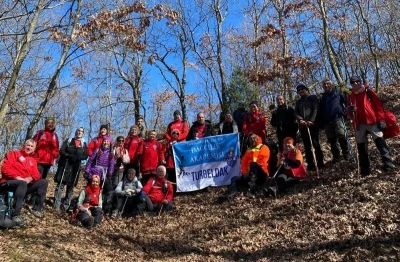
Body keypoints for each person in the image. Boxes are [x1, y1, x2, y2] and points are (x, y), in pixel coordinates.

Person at [347, 76, 395, 177]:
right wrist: (350, 111)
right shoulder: (350, 96)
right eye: (353, 82)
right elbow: (348, 113)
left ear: (360, 82)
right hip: (359, 124)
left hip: (372, 122)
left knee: (381, 144)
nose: (355, 84)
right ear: (351, 84)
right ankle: (365, 171)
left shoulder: (368, 92)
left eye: (357, 82)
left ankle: (388, 165)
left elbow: (378, 105)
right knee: (362, 149)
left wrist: (381, 119)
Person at [0, 139, 49, 226]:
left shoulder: (32, 161)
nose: (29, 147)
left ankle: (36, 209)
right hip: (8, 182)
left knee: (44, 182)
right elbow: (5, 168)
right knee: (22, 183)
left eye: (31, 146)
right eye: (28, 145)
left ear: (34, 149)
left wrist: (30, 178)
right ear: (24, 145)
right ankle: (15, 214)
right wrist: (17, 177)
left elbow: (37, 174)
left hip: (24, 185)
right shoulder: (14, 154)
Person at [220, 133, 270, 199]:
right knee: (234, 178)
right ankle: (229, 194)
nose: (252, 140)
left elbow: (262, 162)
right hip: (250, 175)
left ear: (257, 138)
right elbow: (243, 163)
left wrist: (250, 170)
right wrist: (245, 173)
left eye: (254, 138)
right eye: (251, 139)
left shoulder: (263, 147)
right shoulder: (248, 150)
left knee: (253, 164)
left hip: (261, 174)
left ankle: (251, 189)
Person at [54, 127, 88, 212]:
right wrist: (68, 155)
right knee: (60, 185)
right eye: (78, 131)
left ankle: (66, 206)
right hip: (65, 165)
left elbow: (86, 155)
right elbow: (61, 151)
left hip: (75, 168)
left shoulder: (83, 144)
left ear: (83, 133)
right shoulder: (69, 140)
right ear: (75, 131)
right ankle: (56, 206)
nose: (79, 132)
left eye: (81, 131)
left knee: (70, 187)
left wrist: (78, 157)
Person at [319, 79, 351, 162]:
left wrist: (344, 112)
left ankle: (347, 154)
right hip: (327, 121)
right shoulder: (322, 97)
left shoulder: (338, 93)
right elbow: (321, 109)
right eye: (324, 84)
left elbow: (347, 101)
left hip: (338, 118)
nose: (326, 85)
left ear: (331, 84)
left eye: (327, 84)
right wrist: (322, 121)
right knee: (332, 140)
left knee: (342, 135)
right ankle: (336, 156)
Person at [295, 84, 324, 170]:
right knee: (307, 146)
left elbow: (316, 109)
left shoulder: (312, 98)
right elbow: (296, 113)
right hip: (303, 126)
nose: (301, 91)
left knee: (315, 143)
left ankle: (320, 162)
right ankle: (310, 164)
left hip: (312, 125)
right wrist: (300, 120)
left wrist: (311, 120)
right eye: (299, 90)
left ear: (306, 89)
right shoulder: (298, 102)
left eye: (302, 89)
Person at [85, 136, 115, 214]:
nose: (106, 143)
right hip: (95, 172)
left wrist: (110, 173)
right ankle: (87, 203)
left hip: (104, 174)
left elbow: (111, 164)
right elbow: (90, 160)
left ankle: (101, 206)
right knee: (90, 188)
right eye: (105, 141)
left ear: (110, 144)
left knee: (103, 190)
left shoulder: (111, 153)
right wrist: (87, 170)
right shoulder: (97, 150)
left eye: (107, 142)